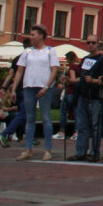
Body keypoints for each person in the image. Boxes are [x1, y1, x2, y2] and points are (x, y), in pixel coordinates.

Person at [8, 24, 61, 162]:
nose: (30, 37)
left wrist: (47, 86)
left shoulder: (50, 51)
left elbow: (54, 70)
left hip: (44, 87)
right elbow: (19, 70)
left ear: (41, 36)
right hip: (29, 86)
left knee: (46, 118)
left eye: (33, 35)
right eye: (30, 35)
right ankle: (28, 149)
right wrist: (13, 88)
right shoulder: (27, 52)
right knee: (29, 118)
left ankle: (48, 150)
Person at [68, 41, 103, 162]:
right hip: (83, 96)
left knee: (95, 126)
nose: (90, 45)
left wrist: (94, 81)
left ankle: (94, 152)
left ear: (97, 45)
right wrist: (71, 81)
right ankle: (80, 152)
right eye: (88, 43)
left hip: (96, 97)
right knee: (82, 125)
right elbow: (81, 77)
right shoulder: (85, 59)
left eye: (93, 43)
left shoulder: (102, 61)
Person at [53, 50, 80, 140]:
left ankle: (62, 131)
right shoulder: (79, 66)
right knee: (77, 113)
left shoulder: (72, 67)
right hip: (77, 93)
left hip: (70, 92)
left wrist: (66, 81)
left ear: (70, 58)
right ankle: (77, 132)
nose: (67, 61)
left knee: (63, 112)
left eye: (67, 59)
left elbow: (72, 79)